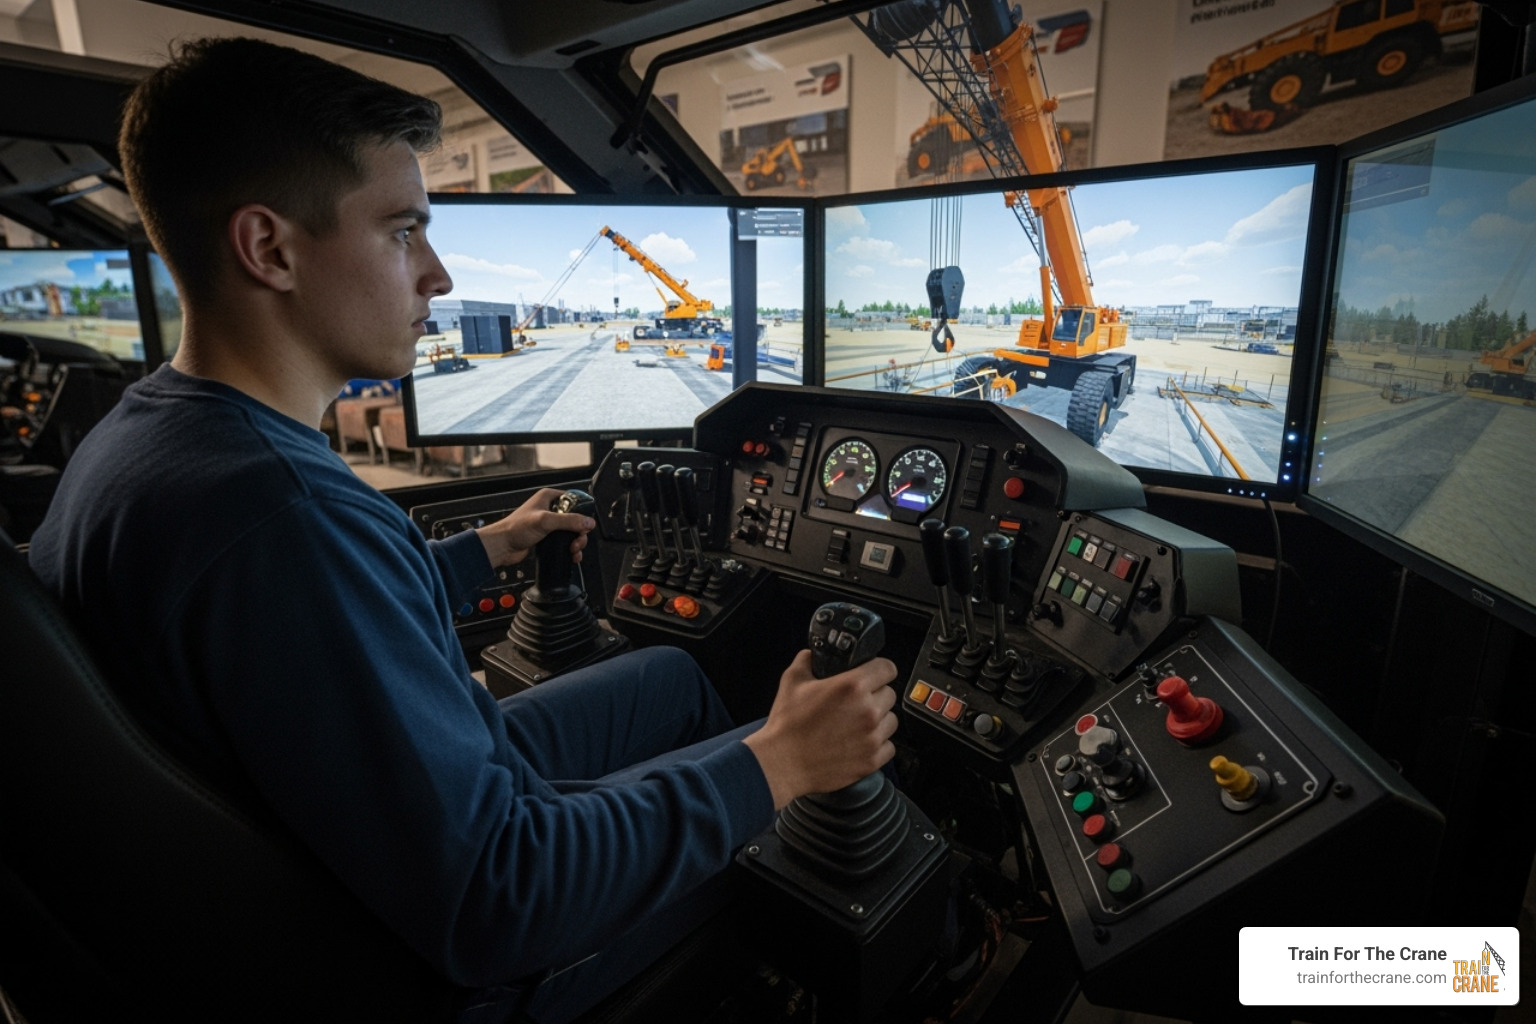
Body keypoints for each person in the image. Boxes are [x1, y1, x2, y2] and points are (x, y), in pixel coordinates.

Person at [25, 36, 898, 1024]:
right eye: (402, 231)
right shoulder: (287, 514)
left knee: (672, 679)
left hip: (302, 869)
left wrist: (478, 553)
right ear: (268, 248)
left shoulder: (148, 438)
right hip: (433, 960)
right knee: (795, 846)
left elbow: (296, 638)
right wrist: (784, 761)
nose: (437, 274)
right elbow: (502, 897)